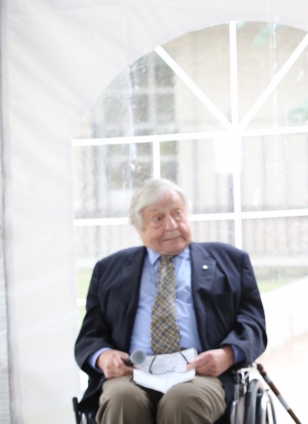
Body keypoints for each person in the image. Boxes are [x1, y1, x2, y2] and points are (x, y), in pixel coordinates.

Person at [75, 178, 267, 424]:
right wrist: (102, 357)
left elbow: (253, 323)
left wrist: (228, 355)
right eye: (157, 219)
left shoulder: (230, 261)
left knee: (183, 401)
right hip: (132, 372)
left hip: (198, 374)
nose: (171, 225)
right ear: (139, 227)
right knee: (122, 399)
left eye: (177, 214)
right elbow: (90, 335)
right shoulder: (109, 270)